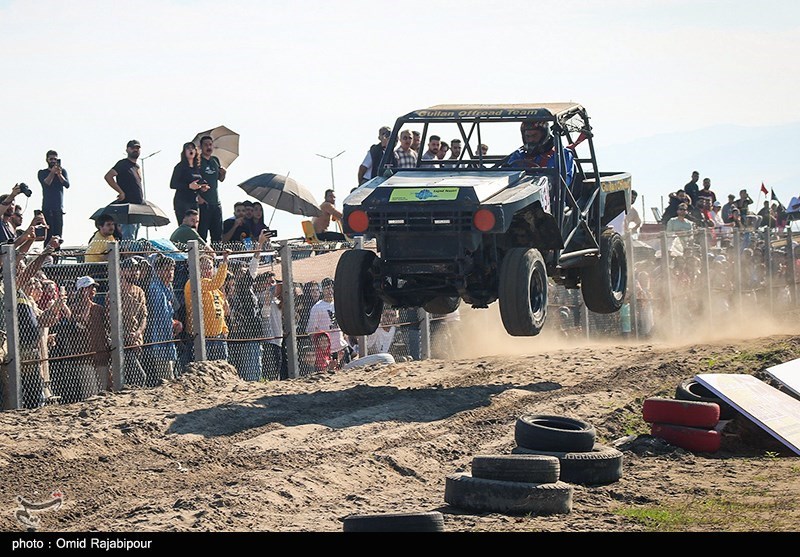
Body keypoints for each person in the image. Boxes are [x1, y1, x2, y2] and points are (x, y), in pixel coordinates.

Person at [227, 231, 270, 381]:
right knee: (252, 373)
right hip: (249, 335)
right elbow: (254, 265)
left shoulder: (245, 289)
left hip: (251, 333)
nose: (246, 271)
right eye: (243, 270)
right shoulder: (243, 287)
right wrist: (260, 243)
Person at [184, 250, 230, 361]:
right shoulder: (194, 283)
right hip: (202, 338)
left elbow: (220, 311)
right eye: (204, 268)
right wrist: (224, 262)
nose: (208, 271)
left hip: (218, 337)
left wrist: (224, 329)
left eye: (210, 267)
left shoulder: (214, 290)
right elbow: (216, 283)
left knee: (221, 368)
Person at [143, 256, 179, 385]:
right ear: (157, 271)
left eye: (172, 270)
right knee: (166, 378)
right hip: (159, 338)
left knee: (171, 374)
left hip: (168, 338)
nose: (170, 273)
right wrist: (173, 324)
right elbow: (162, 316)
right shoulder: (155, 289)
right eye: (166, 270)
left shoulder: (168, 287)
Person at [506, 120, 575, 187]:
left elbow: (565, 182)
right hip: (517, 193)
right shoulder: (518, 155)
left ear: (544, 135)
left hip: (550, 196)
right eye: (528, 136)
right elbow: (505, 175)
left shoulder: (562, 154)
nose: (531, 140)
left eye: (535, 136)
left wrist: (547, 177)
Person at [104, 140, 145, 240]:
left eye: (137, 148)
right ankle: (127, 255)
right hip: (127, 208)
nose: (135, 150)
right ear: (127, 149)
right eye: (133, 148)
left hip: (137, 207)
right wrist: (120, 192)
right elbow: (108, 176)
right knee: (128, 238)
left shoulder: (137, 167)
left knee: (134, 237)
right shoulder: (123, 164)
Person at [117, 257, 148, 387]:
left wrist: (138, 333)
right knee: (140, 377)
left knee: (135, 378)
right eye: (131, 269)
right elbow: (110, 321)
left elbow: (144, 316)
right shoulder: (115, 292)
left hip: (136, 340)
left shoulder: (139, 291)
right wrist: (126, 336)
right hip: (121, 343)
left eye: (137, 269)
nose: (135, 272)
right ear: (122, 271)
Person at [306, 277, 350, 368]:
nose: (330, 291)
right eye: (327, 288)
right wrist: (319, 347)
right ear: (323, 290)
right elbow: (311, 330)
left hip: (341, 345)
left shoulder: (339, 304)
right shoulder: (317, 307)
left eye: (332, 288)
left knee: (348, 369)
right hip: (327, 349)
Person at [196, 135, 227, 244]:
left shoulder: (215, 160)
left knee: (217, 234)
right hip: (204, 203)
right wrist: (198, 197)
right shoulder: (198, 161)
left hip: (216, 202)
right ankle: (202, 258)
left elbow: (220, 179)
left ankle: (218, 258)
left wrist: (223, 174)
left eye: (210, 144)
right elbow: (193, 180)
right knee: (202, 234)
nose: (208, 147)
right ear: (200, 147)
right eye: (205, 145)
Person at [37, 150, 69, 244]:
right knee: (49, 235)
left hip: (58, 208)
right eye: (51, 159)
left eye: (55, 159)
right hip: (47, 207)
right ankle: (47, 256)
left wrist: (59, 174)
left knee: (58, 236)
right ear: (47, 160)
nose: (53, 161)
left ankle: (56, 256)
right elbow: (46, 183)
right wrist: (52, 173)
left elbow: (67, 184)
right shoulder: (42, 172)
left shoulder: (62, 172)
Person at [169, 141, 204, 225]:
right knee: (185, 226)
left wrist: (202, 187)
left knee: (195, 225)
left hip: (194, 200)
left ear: (196, 151)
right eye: (188, 148)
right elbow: (172, 184)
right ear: (184, 152)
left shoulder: (197, 167)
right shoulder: (180, 167)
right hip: (182, 201)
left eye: (192, 148)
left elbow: (199, 181)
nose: (190, 150)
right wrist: (188, 186)